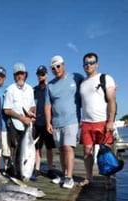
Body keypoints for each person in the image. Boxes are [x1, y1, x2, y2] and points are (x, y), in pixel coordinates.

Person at [45, 55, 84, 189]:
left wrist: (107, 87)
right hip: (56, 122)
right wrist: (48, 123)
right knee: (61, 149)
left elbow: (90, 87)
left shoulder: (76, 77)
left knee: (68, 147)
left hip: (72, 120)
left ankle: (69, 177)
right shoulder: (50, 85)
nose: (56, 69)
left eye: (58, 66)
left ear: (64, 65)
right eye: (53, 68)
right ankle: (64, 173)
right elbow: (48, 105)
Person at [79, 52, 117, 189]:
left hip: (102, 121)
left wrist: (111, 121)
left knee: (105, 153)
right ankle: (89, 177)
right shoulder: (82, 83)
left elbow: (112, 101)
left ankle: (108, 179)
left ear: (97, 64)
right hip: (86, 123)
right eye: (86, 63)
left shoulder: (105, 78)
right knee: (87, 152)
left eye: (91, 62)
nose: (88, 65)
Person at [3, 63, 36, 179]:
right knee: (14, 148)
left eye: (21, 73)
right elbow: (7, 110)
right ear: (14, 76)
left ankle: (27, 170)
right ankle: (15, 170)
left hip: (27, 124)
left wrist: (30, 114)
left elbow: (32, 106)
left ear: (25, 75)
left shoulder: (30, 89)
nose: (20, 76)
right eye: (17, 74)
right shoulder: (10, 90)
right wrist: (22, 118)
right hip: (15, 124)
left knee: (28, 149)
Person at [31, 65, 56, 180]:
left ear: (46, 75)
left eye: (42, 74)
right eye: (38, 74)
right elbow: (31, 106)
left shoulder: (50, 88)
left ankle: (50, 169)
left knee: (49, 148)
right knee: (37, 148)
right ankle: (37, 169)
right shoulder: (34, 90)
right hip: (37, 123)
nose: (40, 76)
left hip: (48, 123)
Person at [0, 66, 11, 173]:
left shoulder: (8, 90)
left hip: (5, 126)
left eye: (1, 76)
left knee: (6, 150)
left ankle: (6, 168)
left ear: (4, 78)